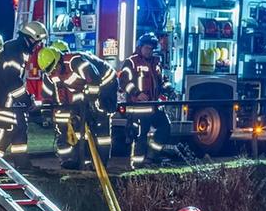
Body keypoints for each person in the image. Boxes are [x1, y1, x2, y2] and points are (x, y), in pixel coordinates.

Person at [39, 46, 116, 169]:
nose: (54, 73)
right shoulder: (50, 74)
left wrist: (92, 104)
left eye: (55, 68)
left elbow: (94, 79)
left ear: (59, 60)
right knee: (77, 124)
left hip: (105, 82)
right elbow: (47, 96)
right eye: (50, 71)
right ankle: (75, 161)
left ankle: (100, 164)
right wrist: (46, 113)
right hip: (82, 89)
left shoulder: (75, 61)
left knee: (101, 124)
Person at [0, 21, 47, 167]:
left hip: (10, 99)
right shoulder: (14, 50)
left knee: (20, 130)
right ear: (30, 38)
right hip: (2, 100)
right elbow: (11, 79)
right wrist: (27, 99)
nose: (38, 44)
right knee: (6, 132)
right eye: (37, 41)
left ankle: (22, 164)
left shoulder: (19, 49)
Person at [119, 32, 172, 168]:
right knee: (140, 137)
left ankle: (151, 156)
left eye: (151, 49)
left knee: (165, 127)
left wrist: (167, 89)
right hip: (138, 108)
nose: (149, 51)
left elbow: (162, 81)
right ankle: (137, 166)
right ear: (140, 47)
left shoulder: (155, 62)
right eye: (147, 48)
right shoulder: (131, 62)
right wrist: (137, 93)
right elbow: (124, 81)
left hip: (154, 106)